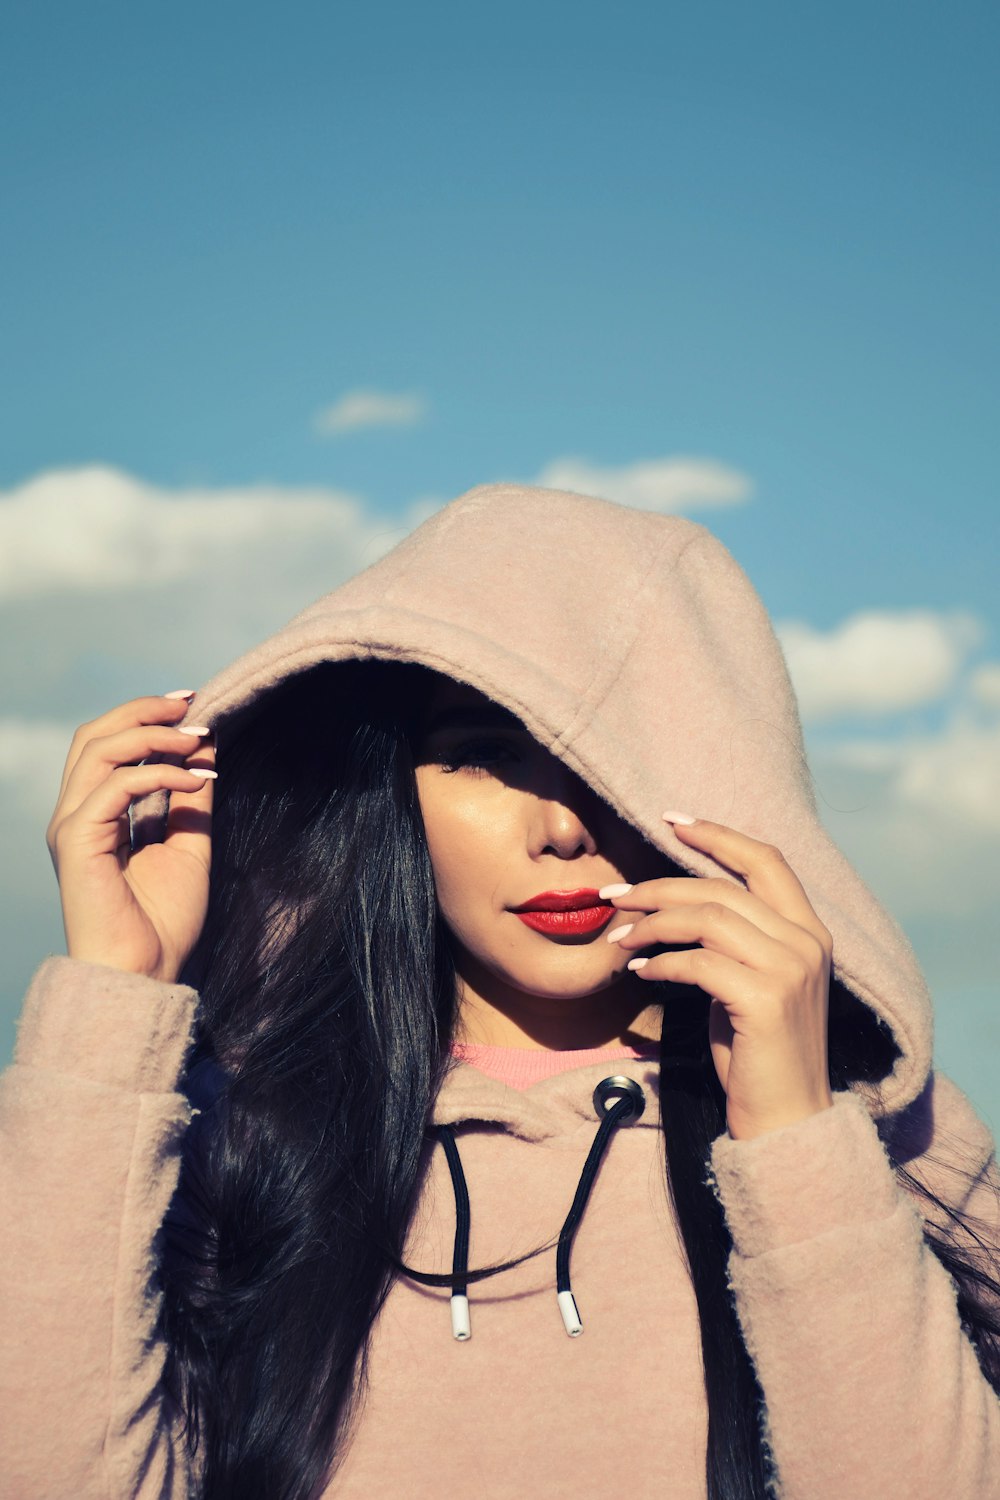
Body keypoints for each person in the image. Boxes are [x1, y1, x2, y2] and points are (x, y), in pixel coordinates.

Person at [2, 481, 998, 1500]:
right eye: (483, 757)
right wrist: (111, 1006)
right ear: (396, 794)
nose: (559, 827)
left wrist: (793, 1141)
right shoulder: (240, 1133)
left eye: (608, 761)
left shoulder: (877, 1133)